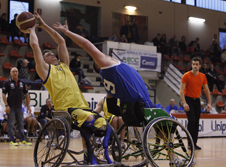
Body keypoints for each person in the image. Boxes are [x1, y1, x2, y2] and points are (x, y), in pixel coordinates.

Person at [54, 20, 183, 165]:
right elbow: (86, 44)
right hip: (144, 106)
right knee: (170, 120)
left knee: (160, 125)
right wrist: (67, 32)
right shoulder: (108, 64)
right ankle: (174, 158)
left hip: (132, 110)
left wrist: (121, 110)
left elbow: (111, 105)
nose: (105, 55)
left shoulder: (107, 81)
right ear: (99, 63)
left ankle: (172, 155)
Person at [22, 12, 107, 164]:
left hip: (83, 107)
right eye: (47, 54)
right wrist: (32, 29)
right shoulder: (44, 71)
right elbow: (35, 46)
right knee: (88, 119)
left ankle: (91, 154)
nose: (52, 55)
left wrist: (44, 25)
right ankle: (90, 155)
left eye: (52, 53)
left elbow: (61, 41)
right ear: (44, 60)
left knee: (102, 124)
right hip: (66, 110)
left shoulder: (64, 65)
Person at [179, 57, 212, 150]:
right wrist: (184, 103)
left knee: (196, 122)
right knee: (192, 120)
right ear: (191, 65)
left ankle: (194, 143)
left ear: (200, 66)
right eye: (193, 64)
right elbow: (181, 91)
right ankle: (189, 142)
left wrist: (209, 103)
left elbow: (206, 90)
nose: (195, 66)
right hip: (188, 100)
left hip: (197, 100)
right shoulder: (186, 75)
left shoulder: (203, 76)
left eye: (197, 64)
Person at [2, 67, 32, 146]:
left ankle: (22, 140)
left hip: (19, 107)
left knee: (20, 124)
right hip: (10, 107)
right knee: (11, 124)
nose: (15, 73)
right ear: (10, 73)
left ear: (18, 73)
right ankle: (12, 140)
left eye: (16, 71)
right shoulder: (7, 83)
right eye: (13, 71)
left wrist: (28, 105)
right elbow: (3, 95)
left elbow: (26, 94)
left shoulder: (22, 83)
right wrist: (6, 105)